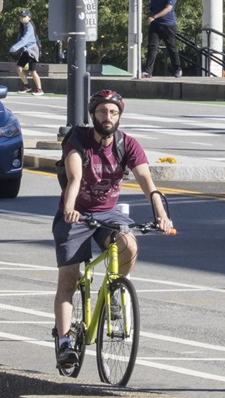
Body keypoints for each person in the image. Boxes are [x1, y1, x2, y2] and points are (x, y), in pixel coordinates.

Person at [52, 89, 173, 366]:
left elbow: (147, 183)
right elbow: (74, 176)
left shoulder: (127, 144)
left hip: (108, 213)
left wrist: (161, 215)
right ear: (93, 114)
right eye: (103, 112)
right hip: (76, 215)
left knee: (128, 244)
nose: (108, 117)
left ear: (120, 116)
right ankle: (64, 341)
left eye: (114, 113)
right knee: (69, 278)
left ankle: (115, 290)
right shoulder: (78, 140)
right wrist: (70, 209)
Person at [142, 0, 182, 79]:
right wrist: (148, 14)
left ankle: (177, 69)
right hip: (155, 25)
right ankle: (148, 71)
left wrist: (154, 17)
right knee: (152, 47)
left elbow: (168, 9)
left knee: (171, 47)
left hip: (168, 24)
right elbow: (152, 8)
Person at [10, 10, 43, 95]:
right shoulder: (23, 27)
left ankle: (39, 89)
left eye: (24, 16)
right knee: (19, 67)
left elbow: (24, 40)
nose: (22, 18)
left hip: (32, 51)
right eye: (21, 16)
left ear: (29, 18)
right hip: (26, 51)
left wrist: (15, 47)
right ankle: (26, 86)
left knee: (33, 71)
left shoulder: (29, 27)